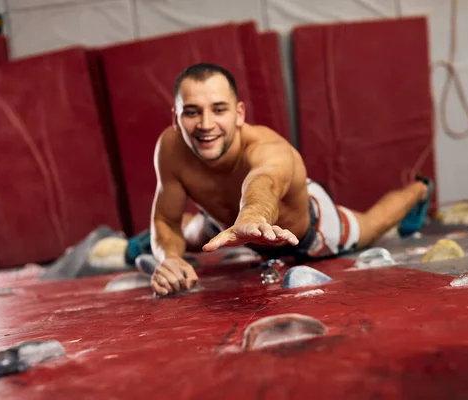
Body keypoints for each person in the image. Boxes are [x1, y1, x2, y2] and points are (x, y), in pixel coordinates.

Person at [148, 63, 431, 296]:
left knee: (373, 224)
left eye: (219, 110)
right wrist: (169, 258)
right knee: (187, 236)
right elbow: (165, 219)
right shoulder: (170, 148)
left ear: (239, 114)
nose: (206, 124)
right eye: (192, 112)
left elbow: (263, 183)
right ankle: (156, 239)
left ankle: (418, 190)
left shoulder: (269, 149)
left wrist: (252, 215)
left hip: (303, 227)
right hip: (225, 224)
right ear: (176, 117)